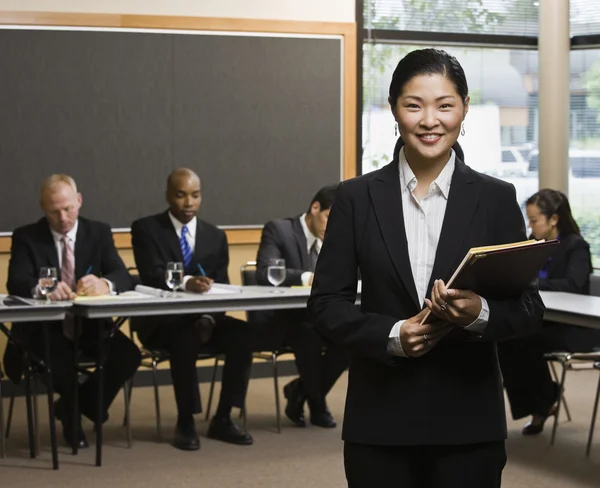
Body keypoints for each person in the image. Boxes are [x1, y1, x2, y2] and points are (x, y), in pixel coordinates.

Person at [307, 48, 545, 488]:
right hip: (379, 420)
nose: (430, 120)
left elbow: (528, 306)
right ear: (394, 109)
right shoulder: (355, 198)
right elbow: (325, 305)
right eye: (414, 105)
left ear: (465, 108)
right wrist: (392, 335)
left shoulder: (495, 198)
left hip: (469, 422)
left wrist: (480, 313)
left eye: (445, 105)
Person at [4, 174, 141, 449]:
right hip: (44, 329)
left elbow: (123, 276)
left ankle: (73, 406)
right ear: (44, 209)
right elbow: (16, 281)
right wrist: (43, 288)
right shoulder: (27, 237)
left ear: (79, 201)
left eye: (68, 208)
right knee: (58, 361)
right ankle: (73, 420)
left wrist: (105, 283)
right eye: (54, 212)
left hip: (90, 327)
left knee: (128, 356)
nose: (63, 217)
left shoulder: (98, 232)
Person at [130, 168, 253, 451]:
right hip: (163, 322)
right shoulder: (146, 229)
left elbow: (222, 285)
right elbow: (151, 273)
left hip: (206, 319)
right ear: (168, 196)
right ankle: (186, 420)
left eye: (195, 196)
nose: (188, 203)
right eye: (181, 195)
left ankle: (223, 418)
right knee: (183, 336)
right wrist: (186, 283)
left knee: (244, 334)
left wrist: (210, 317)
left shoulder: (215, 236)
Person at [498, 189, 598, 436]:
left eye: (534, 220)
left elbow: (573, 284)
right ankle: (542, 402)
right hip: (546, 321)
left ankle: (544, 403)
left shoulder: (577, 246)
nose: (530, 226)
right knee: (507, 337)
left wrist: (530, 281)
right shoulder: (535, 245)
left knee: (524, 342)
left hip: (578, 329)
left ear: (553, 219)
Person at [255, 186, 348, 428]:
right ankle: (317, 404)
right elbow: (266, 273)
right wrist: (307, 278)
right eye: (329, 217)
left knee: (350, 336)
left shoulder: (333, 238)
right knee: (308, 336)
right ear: (315, 208)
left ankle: (301, 390)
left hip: (316, 317)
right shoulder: (279, 230)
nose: (333, 225)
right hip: (280, 319)